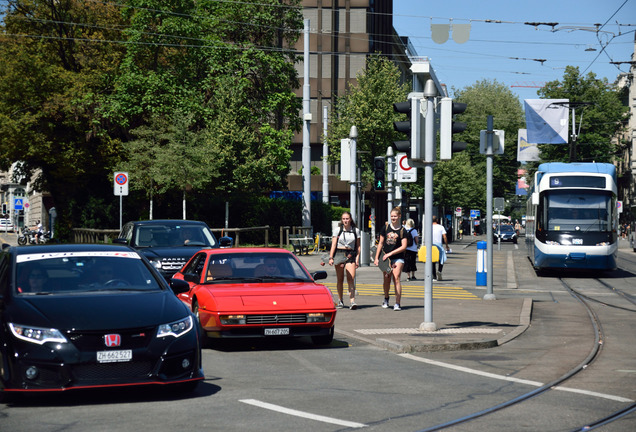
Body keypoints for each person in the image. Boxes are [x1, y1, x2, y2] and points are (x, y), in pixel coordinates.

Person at [374, 207, 408, 311]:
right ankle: (386, 298)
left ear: (399, 216)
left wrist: (391, 253)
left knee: (396, 277)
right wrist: (376, 258)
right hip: (385, 258)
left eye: (395, 216)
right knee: (386, 278)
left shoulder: (403, 231)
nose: (393, 218)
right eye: (392, 216)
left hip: (398, 257)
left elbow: (404, 246)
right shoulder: (385, 228)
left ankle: (397, 303)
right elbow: (380, 243)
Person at [328, 212, 361, 310]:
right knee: (340, 279)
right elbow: (333, 245)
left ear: (350, 219)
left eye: (347, 218)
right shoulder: (337, 230)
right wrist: (331, 257)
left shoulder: (356, 230)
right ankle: (340, 300)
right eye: (344, 219)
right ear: (341, 220)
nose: (345, 221)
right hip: (339, 253)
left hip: (350, 254)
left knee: (351, 278)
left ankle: (352, 301)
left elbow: (358, 246)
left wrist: (357, 259)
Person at [432, 215, 450, 281]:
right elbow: (444, 237)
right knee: (441, 258)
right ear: (437, 220)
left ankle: (434, 276)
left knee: (432, 260)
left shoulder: (429, 227)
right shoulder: (441, 227)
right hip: (439, 245)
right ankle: (439, 271)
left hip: (431, 245)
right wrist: (447, 245)